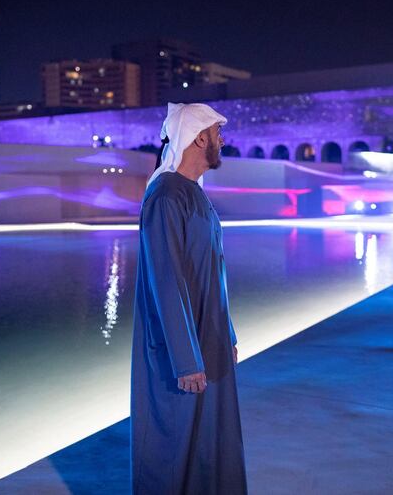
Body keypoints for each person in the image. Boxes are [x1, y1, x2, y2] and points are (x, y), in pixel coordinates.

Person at [130, 103, 248, 494]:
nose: (222, 139)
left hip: (208, 342)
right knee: (173, 450)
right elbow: (166, 279)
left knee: (211, 446)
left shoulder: (195, 195)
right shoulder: (165, 196)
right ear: (199, 137)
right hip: (180, 356)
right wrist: (185, 359)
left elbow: (213, 271)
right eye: (217, 131)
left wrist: (225, 332)